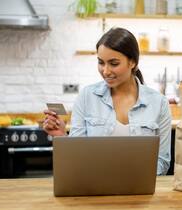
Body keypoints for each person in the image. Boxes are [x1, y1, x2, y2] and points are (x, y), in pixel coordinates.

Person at [43, 27, 171, 175]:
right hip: (94, 190)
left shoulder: (159, 103)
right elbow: (78, 157)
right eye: (101, 62)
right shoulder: (86, 96)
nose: (105, 71)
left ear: (133, 62)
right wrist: (61, 136)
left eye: (114, 63)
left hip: (140, 192)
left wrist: (127, 176)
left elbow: (162, 162)